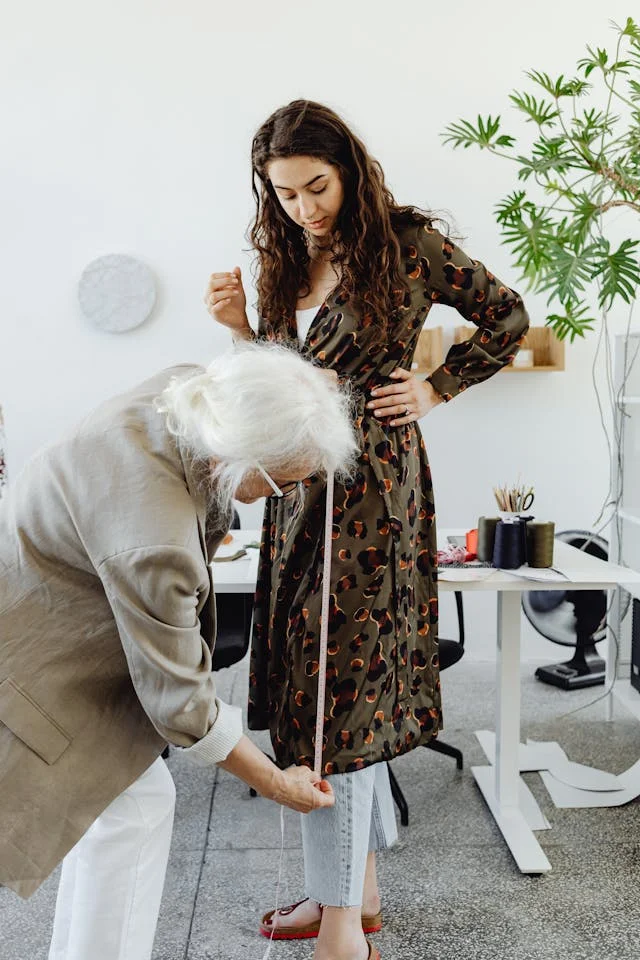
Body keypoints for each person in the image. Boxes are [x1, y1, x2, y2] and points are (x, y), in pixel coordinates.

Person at [205, 99, 530, 960]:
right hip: (297, 491)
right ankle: (355, 894)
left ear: (348, 166)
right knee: (324, 692)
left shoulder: (405, 242)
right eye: (285, 194)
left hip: (371, 494)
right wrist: (245, 331)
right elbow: (285, 380)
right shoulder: (283, 259)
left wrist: (434, 388)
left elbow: (507, 317)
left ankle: (341, 925)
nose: (305, 208)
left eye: (317, 186)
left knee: (334, 707)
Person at [0, 341, 358, 960]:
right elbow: (183, 707)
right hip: (32, 659)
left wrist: (307, 392)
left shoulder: (190, 392)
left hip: (43, 606)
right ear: (235, 453)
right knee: (134, 809)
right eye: (282, 481)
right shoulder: (153, 538)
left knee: (124, 809)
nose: (280, 495)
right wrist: (274, 782)